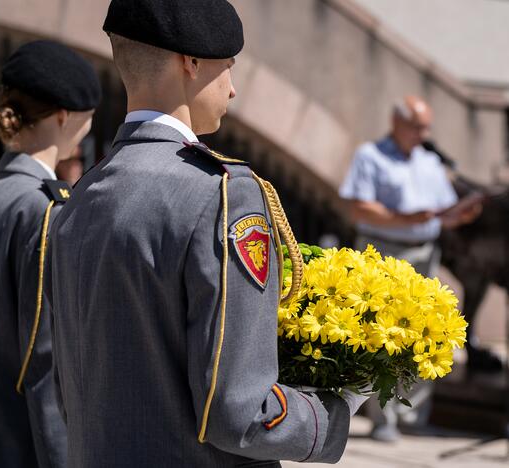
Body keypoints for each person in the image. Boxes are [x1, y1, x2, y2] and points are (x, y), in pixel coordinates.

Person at [47, 1, 365, 466]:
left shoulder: (80, 197)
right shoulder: (223, 193)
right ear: (190, 63)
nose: (233, 89)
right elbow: (242, 413)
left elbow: (71, 393)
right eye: (228, 67)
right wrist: (337, 408)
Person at [0, 40, 100, 468]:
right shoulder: (44, 209)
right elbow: (46, 366)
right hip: (18, 449)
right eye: (88, 120)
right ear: (65, 116)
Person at [339, 95, 482, 442]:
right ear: (397, 124)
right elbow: (358, 208)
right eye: (418, 126)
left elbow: (442, 213)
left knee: (424, 334)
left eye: (427, 127)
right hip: (384, 253)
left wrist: (461, 215)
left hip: (425, 254)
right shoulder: (370, 156)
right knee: (383, 338)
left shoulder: (429, 162)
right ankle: (383, 418)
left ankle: (413, 415)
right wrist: (404, 219)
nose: (424, 133)